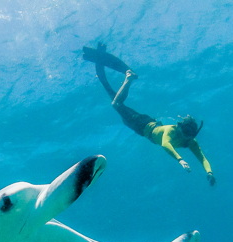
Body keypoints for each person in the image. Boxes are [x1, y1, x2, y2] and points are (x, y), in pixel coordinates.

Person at [86, 44, 215, 186]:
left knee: (117, 104)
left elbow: (202, 158)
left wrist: (209, 173)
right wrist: (180, 159)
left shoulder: (191, 141)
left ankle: (104, 64)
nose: (186, 135)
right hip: (143, 125)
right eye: (185, 131)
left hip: (143, 126)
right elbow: (165, 143)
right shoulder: (172, 130)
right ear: (180, 127)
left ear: (194, 133)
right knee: (116, 105)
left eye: (190, 133)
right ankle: (128, 77)